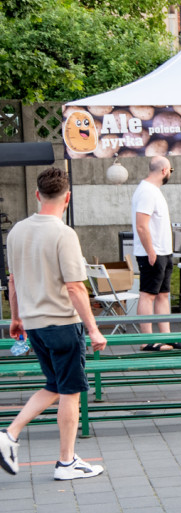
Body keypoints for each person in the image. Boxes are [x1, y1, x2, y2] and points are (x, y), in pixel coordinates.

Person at [0, 167, 107, 480]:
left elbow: (13, 280)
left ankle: (10, 434)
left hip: (34, 324)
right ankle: (65, 462)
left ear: (37, 195)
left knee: (55, 386)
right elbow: (75, 287)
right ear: (68, 198)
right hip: (61, 323)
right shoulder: (64, 234)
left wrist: (16, 317)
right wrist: (94, 328)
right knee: (70, 391)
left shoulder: (17, 231)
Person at [132, 156, 175, 350]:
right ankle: (147, 340)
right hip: (153, 251)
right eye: (171, 171)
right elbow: (142, 225)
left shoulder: (154, 191)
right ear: (164, 170)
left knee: (163, 294)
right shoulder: (147, 192)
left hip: (163, 251)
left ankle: (166, 336)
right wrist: (150, 251)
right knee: (148, 294)